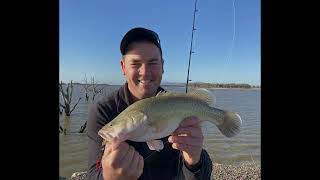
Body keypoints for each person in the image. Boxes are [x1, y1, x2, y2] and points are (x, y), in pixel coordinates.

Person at [87, 27, 213, 180]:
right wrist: (108, 177)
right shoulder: (103, 111)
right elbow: (92, 174)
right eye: (135, 63)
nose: (145, 72)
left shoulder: (177, 102)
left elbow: (201, 175)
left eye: (153, 62)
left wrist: (194, 161)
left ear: (163, 66)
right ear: (123, 67)